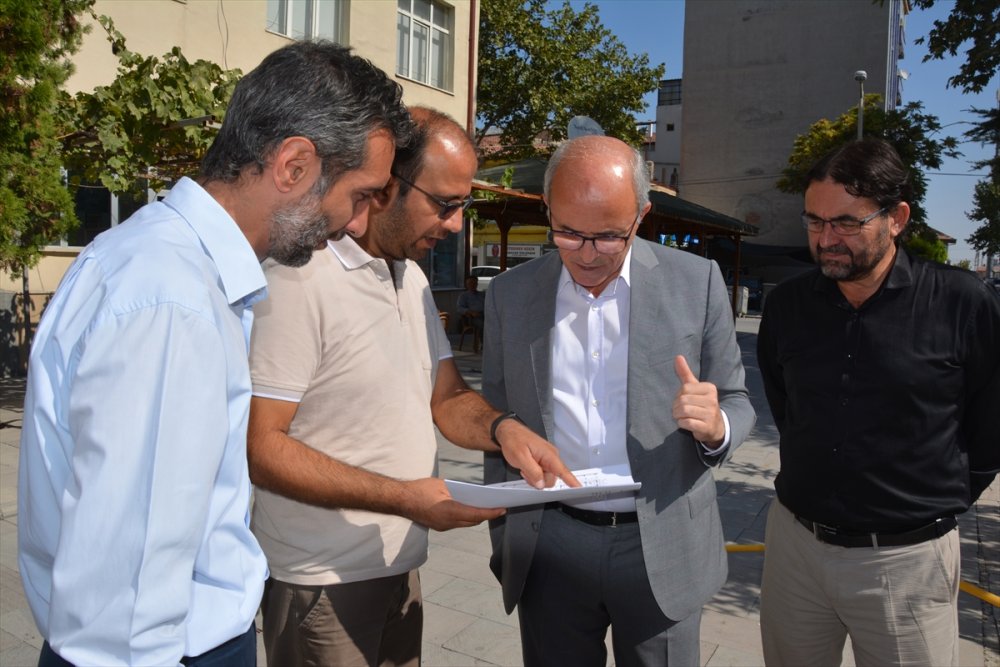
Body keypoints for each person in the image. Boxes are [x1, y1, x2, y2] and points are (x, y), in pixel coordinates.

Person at [17, 41, 412, 667]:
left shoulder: (166, 266)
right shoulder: (173, 300)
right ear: (294, 165)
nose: (358, 223)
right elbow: (130, 598)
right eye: (361, 194)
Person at [246, 106, 577, 667]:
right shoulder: (298, 277)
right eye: (444, 204)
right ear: (386, 186)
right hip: (321, 584)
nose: (454, 224)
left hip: (399, 569)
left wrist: (504, 429)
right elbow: (261, 447)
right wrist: (406, 498)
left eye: (462, 205)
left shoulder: (414, 277)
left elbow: (445, 398)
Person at [482, 135, 756, 667]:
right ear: (548, 210)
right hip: (550, 545)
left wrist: (716, 424)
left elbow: (738, 398)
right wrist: (505, 538)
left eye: (609, 236)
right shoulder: (511, 294)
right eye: (567, 233)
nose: (587, 254)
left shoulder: (696, 282)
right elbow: (497, 416)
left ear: (642, 214)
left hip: (662, 544)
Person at [757, 137, 1000, 667]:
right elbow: (785, 405)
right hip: (796, 551)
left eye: (846, 222)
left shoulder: (961, 303)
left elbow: (991, 426)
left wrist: (924, 506)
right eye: (815, 222)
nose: (826, 239)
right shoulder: (788, 307)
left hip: (908, 563)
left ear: (897, 218)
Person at [456, 275, 485, 350]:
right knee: (482, 324)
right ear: (467, 284)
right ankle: (484, 344)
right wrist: (471, 312)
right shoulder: (463, 296)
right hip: (471, 318)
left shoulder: (482, 295)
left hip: (484, 315)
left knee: (494, 323)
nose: (473, 285)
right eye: (470, 283)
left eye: (475, 283)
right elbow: (459, 308)